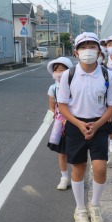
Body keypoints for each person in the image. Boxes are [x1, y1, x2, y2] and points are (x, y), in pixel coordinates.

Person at [57, 32, 112, 222]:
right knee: (79, 167)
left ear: (99, 51)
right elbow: (63, 105)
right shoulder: (69, 74)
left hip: (99, 125)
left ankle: (95, 205)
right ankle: (80, 208)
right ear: (76, 52)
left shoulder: (107, 73)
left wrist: (98, 125)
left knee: (100, 167)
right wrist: (79, 124)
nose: (88, 51)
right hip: (76, 126)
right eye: (83, 47)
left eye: (92, 46)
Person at [46, 57, 73, 190]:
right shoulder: (52, 88)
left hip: (74, 121)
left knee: (75, 150)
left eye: (62, 70)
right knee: (61, 152)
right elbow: (51, 107)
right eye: (56, 70)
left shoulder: (74, 84)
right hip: (59, 124)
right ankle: (64, 177)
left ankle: (76, 176)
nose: (59, 73)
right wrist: (55, 119)